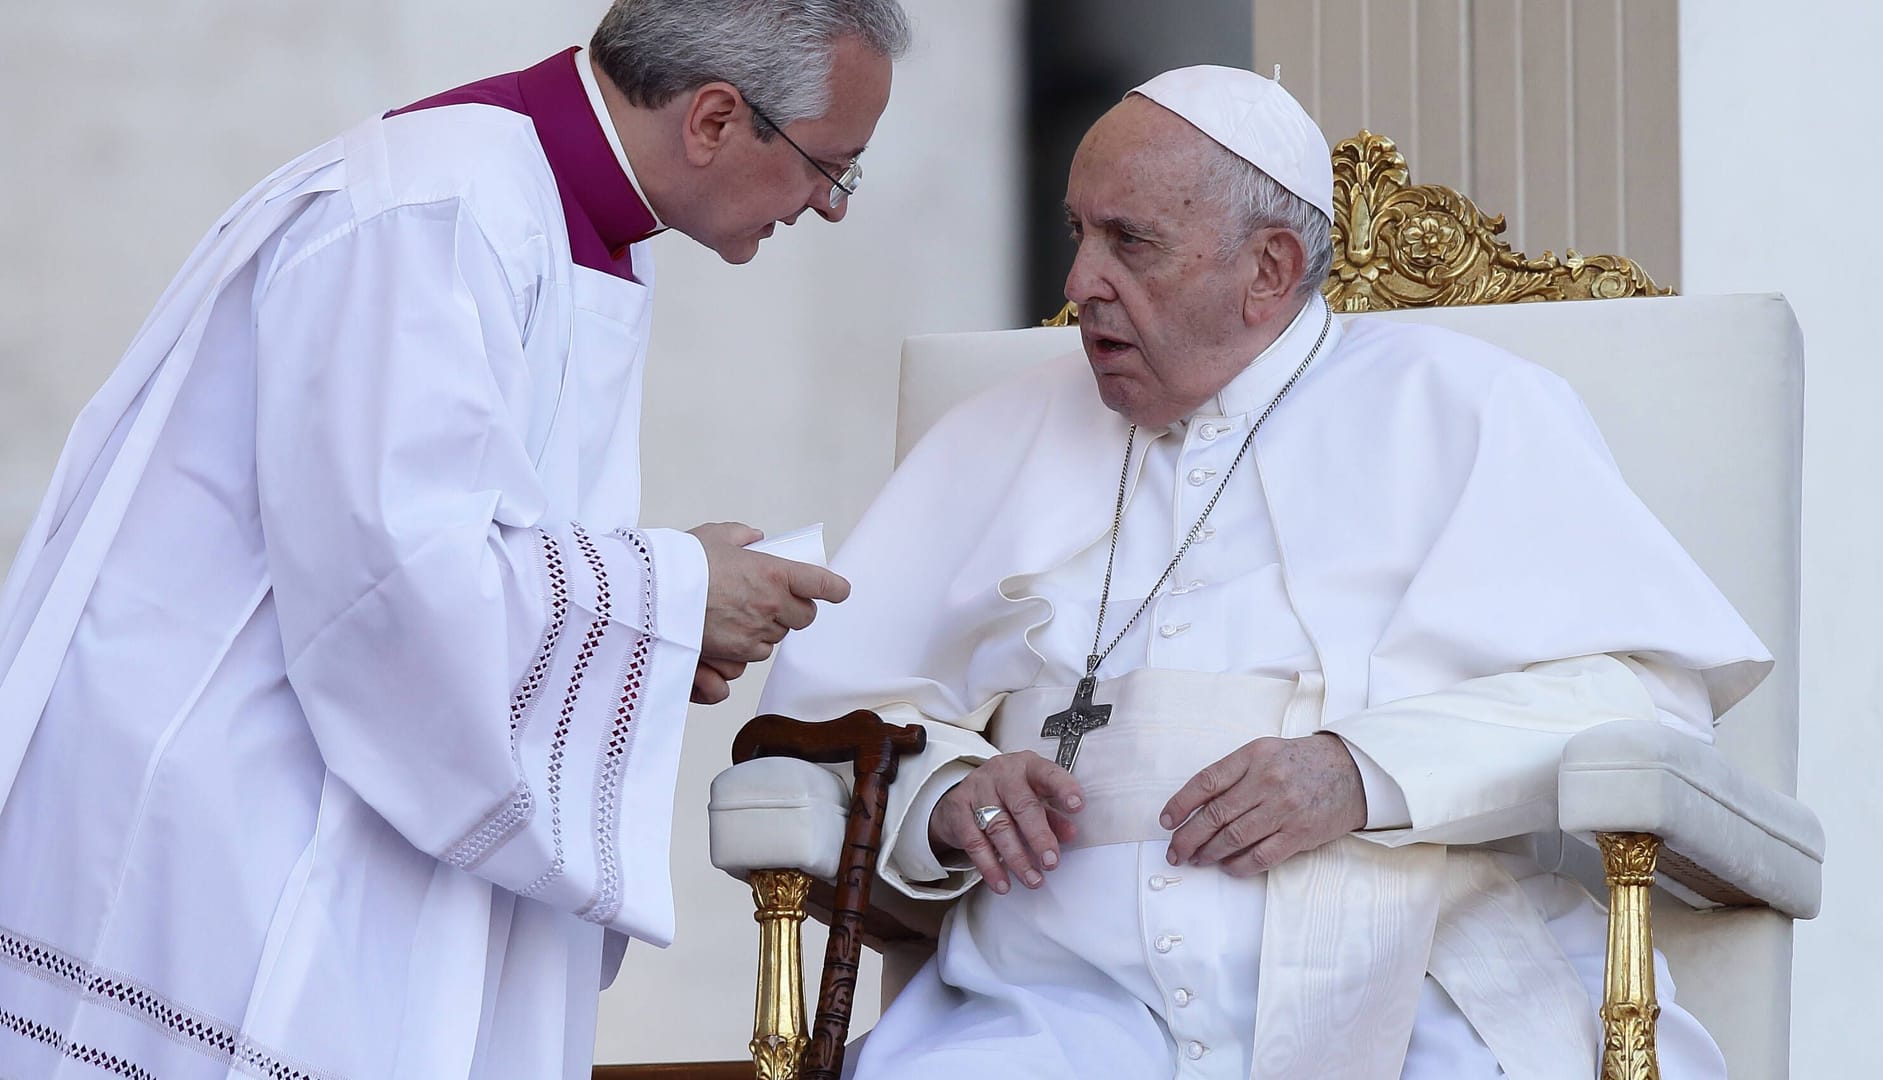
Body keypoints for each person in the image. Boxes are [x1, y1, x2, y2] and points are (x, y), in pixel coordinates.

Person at [759, 65, 1767, 1080]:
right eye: (1079, 234)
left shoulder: (1465, 408)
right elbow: (831, 720)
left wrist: (1361, 772)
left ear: (1270, 269)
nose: (1078, 286)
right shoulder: (993, 437)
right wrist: (947, 791)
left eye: (1130, 241)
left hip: (1415, 975)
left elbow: (1652, 697)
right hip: (1053, 997)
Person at [0, 1, 908, 1076]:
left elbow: (468, 536)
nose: (831, 207)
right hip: (235, 824)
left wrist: (653, 632)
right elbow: (392, 588)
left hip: (334, 798)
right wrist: (667, 597)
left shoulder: (567, 216)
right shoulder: (434, 209)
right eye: (830, 168)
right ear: (714, 119)